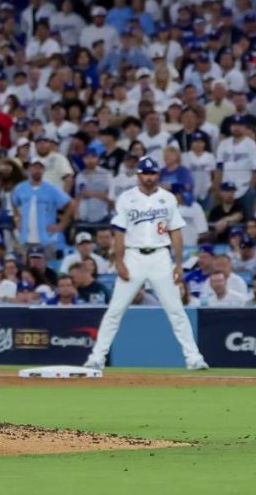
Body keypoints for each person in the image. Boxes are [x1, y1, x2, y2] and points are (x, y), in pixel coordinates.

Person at [83, 157, 209, 371]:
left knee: (175, 309)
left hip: (161, 255)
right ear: (138, 175)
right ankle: (97, 357)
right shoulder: (126, 198)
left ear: (157, 175)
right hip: (133, 256)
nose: (148, 177)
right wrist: (120, 262)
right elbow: (119, 232)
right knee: (115, 310)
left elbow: (176, 232)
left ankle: (194, 357)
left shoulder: (168, 198)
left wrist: (178, 264)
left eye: (152, 173)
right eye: (145, 173)